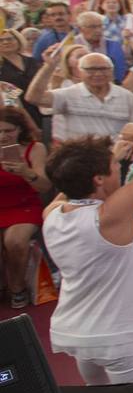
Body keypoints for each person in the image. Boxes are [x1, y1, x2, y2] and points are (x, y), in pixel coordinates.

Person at [43, 124, 133, 383]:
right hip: (124, 338)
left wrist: (110, 155)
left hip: (82, 335)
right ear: (98, 180)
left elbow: (70, 183)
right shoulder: (110, 217)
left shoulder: (53, 212)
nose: (119, 168)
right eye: (115, 166)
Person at [26, 45, 133, 142]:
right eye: (91, 69)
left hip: (115, 158)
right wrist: (49, 66)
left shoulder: (127, 97)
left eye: (103, 69)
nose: (98, 74)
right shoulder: (69, 94)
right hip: (79, 158)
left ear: (111, 71)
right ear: (80, 72)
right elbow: (34, 98)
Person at [0, 108, 49, 308]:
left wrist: (25, 172)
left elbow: (45, 186)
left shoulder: (35, 149)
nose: (3, 136)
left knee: (15, 240)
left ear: (20, 129)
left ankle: (17, 288)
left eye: (8, 130)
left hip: (25, 206)